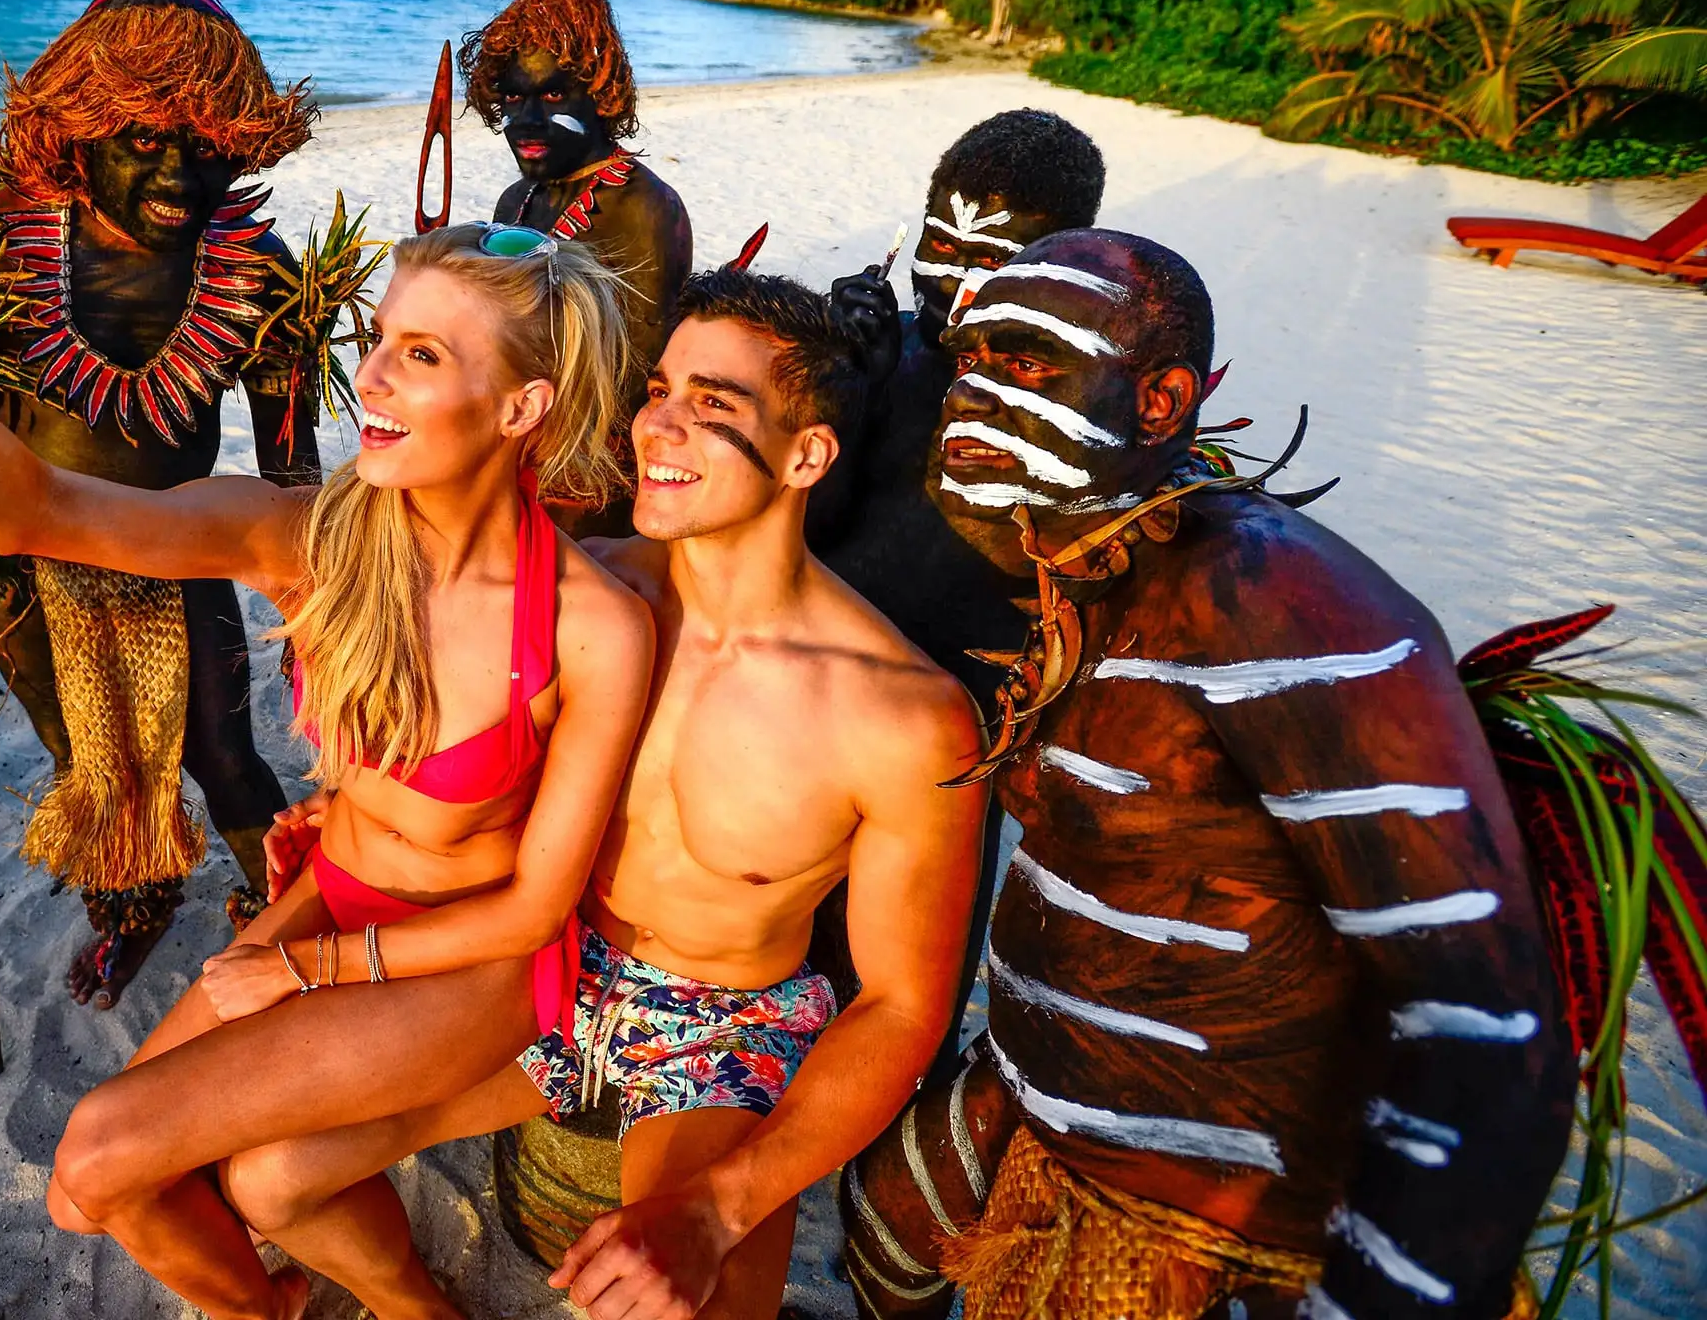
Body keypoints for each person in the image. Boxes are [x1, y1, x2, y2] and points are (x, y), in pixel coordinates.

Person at [0, 77, 658, 1320]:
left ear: (522, 408)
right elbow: (32, 504)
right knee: (108, 1192)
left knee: (104, 1158)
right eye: (380, 338)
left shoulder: (589, 627)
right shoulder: (317, 540)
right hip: (330, 902)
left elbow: (536, 905)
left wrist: (308, 966)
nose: (373, 379)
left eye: (424, 356)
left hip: (473, 961)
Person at [215, 266, 988, 1320]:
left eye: (713, 406)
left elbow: (903, 1008)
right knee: (270, 1174)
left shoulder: (900, 715)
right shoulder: (592, 591)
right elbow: (465, 737)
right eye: (659, 390)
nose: (659, 426)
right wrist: (353, 808)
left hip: (721, 1027)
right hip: (537, 967)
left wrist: (720, 1208)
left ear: (806, 453)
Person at [839, 231, 1574, 1320]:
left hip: (1204, 1201)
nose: (973, 393)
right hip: (1033, 1102)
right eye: (970, 357)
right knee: (885, 1227)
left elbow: (1485, 1024)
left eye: (1026, 361)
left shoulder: (1283, 609)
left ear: (1160, 400)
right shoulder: (1082, 558)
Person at [0, 0, 321, 1008]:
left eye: (205, 141)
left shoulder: (261, 272)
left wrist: (316, 622)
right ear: (81, 126)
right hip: (29, 576)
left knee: (229, 760)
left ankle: (293, 939)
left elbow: (294, 478)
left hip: (186, 551)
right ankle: (136, 905)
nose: (178, 171)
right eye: (145, 137)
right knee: (90, 767)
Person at [810, 108, 1106, 703]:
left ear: (1060, 261)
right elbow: (808, 522)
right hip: (816, 658)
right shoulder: (882, 347)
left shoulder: (1070, 400)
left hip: (960, 697)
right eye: (939, 245)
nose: (951, 281)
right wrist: (842, 383)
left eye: (991, 262)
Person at [463, 0, 694, 534]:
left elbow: (634, 372)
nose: (527, 122)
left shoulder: (643, 205)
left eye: (554, 95)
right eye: (513, 99)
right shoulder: (517, 199)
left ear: (602, 95)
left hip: (588, 476)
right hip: (510, 442)